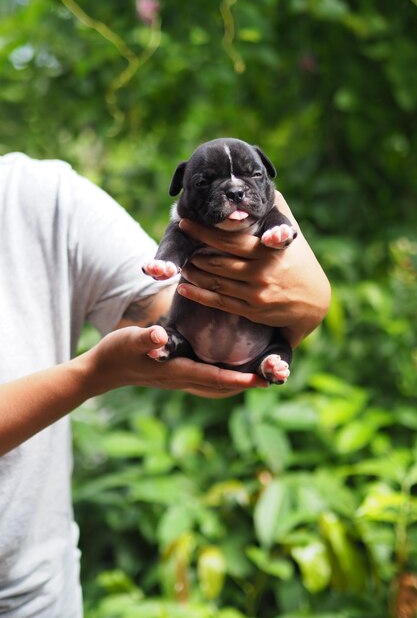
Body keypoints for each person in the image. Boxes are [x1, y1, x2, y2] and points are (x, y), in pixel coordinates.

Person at [0, 152, 330, 617]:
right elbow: (127, 356)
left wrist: (288, 304)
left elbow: (171, 315)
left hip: (37, 593)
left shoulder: (43, 194)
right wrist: (91, 375)